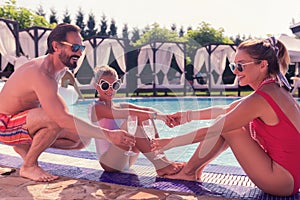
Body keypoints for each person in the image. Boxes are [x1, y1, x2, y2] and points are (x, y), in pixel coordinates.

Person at [152, 37, 300, 196]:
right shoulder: (274, 90)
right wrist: (187, 116)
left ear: (262, 65)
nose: (235, 71)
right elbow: (227, 109)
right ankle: (193, 170)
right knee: (229, 122)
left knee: (228, 127)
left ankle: (189, 172)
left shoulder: (261, 98)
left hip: (281, 182)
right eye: (233, 66)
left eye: (240, 66)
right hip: (290, 179)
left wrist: (170, 142)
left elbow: (216, 128)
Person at [0, 23, 134, 182]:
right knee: (55, 119)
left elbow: (62, 112)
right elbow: (60, 118)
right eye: (75, 47)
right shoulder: (40, 73)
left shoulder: (60, 69)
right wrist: (109, 134)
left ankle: (25, 147)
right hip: (5, 123)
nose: (79, 52)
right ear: (56, 46)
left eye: (81, 48)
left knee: (81, 137)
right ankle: (29, 166)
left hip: (23, 121)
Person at [89, 65, 183, 176]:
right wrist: (157, 116)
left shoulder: (120, 105)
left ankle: (163, 161)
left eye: (115, 85)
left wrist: (165, 116)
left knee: (144, 118)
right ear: (96, 86)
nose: (110, 89)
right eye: (105, 86)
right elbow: (129, 113)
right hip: (110, 162)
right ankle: (161, 166)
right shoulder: (96, 108)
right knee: (134, 119)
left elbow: (147, 110)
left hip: (127, 158)